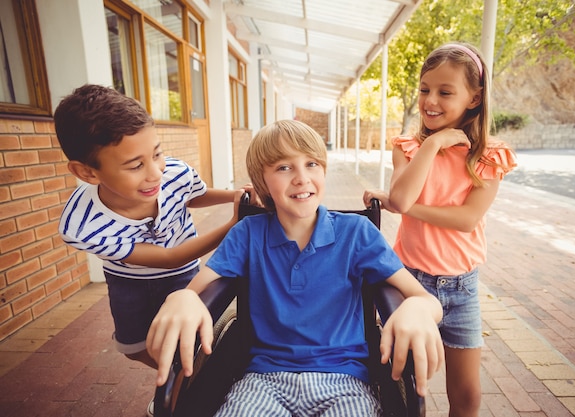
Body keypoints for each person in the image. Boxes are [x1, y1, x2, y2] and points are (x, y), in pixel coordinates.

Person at [147, 119, 445, 416]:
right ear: (263, 182)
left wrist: (417, 309)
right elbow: (195, 292)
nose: (302, 178)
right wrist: (183, 298)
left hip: (344, 382)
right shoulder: (248, 233)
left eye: (312, 164)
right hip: (262, 381)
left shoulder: (356, 233)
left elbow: (426, 300)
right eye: (283, 167)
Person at [363, 43, 517, 417]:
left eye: (445, 92)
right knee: (404, 385)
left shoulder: (489, 156)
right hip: (409, 283)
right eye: (424, 89)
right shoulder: (410, 146)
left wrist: (400, 204)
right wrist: (433, 144)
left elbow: (465, 220)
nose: (430, 100)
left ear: (474, 98)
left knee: (466, 395)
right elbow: (400, 197)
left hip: (462, 288)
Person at [54, 84, 249, 373]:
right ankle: (180, 374)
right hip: (129, 282)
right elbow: (170, 257)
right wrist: (234, 225)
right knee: (133, 347)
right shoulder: (83, 226)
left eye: (157, 154)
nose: (156, 173)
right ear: (87, 172)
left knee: (185, 340)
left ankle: (186, 386)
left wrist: (233, 196)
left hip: (184, 275)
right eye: (135, 166)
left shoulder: (174, 172)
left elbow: (193, 194)